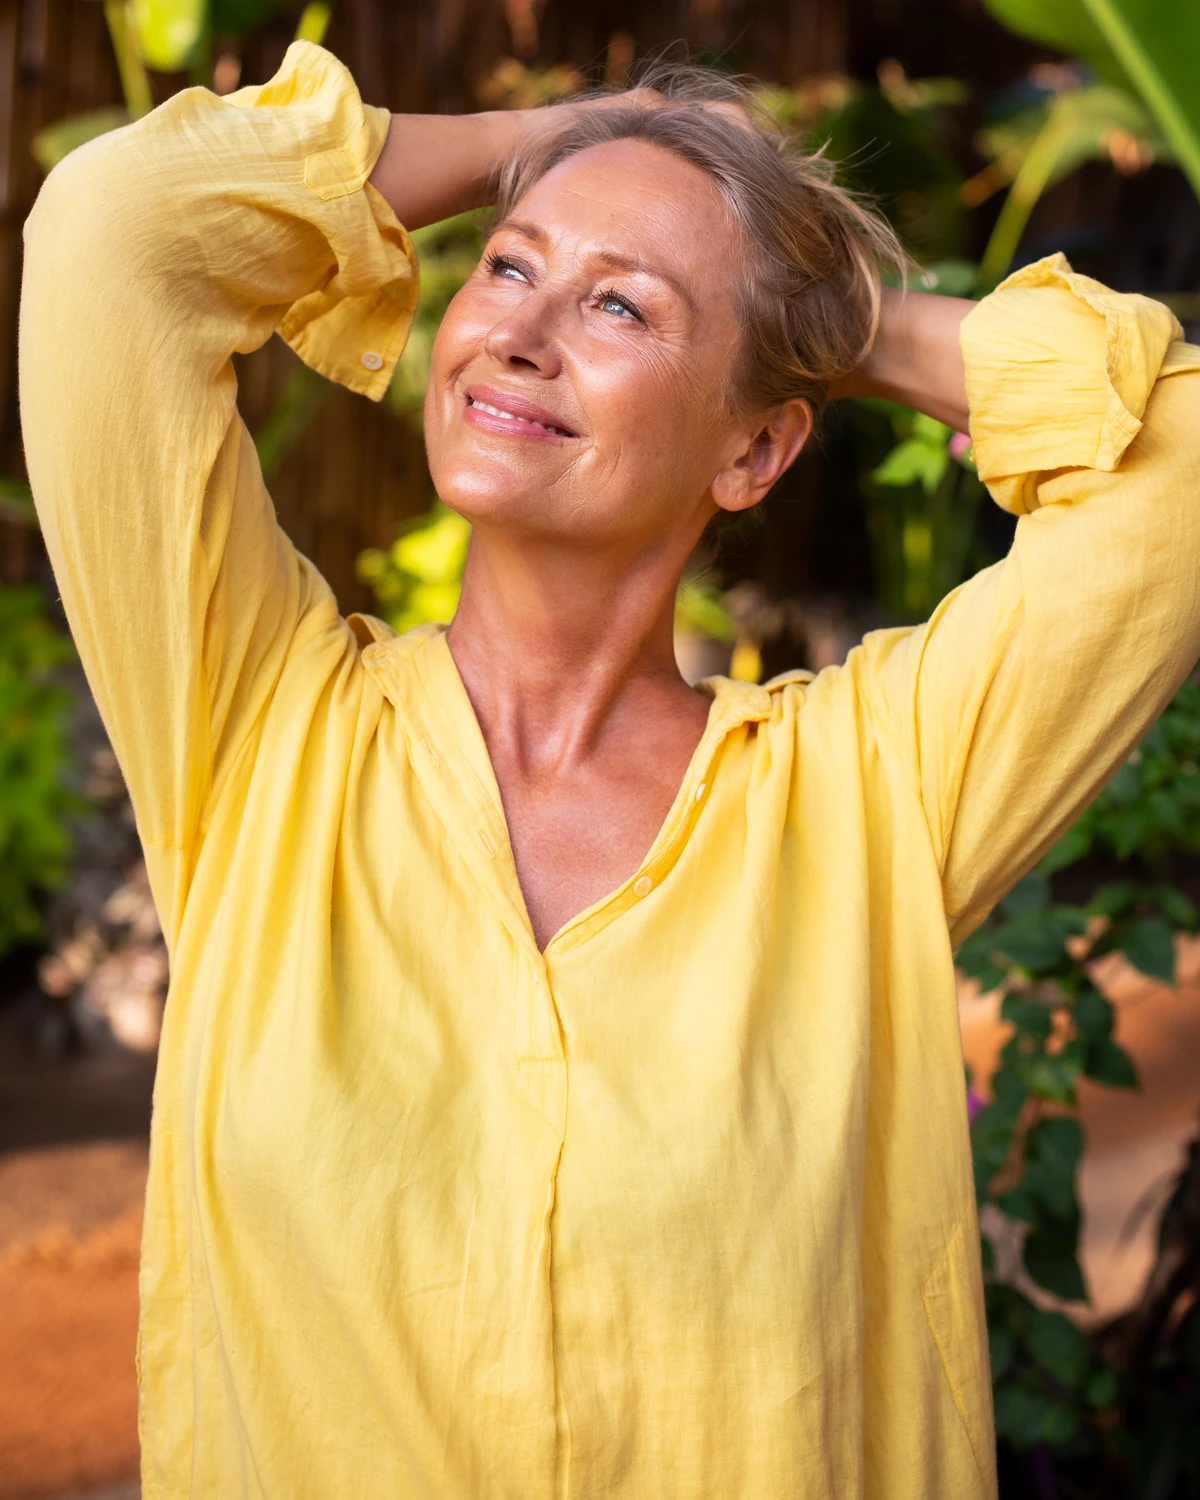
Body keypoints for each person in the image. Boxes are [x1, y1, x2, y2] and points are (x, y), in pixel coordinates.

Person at [19, 38, 1200, 1500]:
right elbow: (111, 233)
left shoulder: (869, 799)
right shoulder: (258, 729)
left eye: (623, 305)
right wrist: (564, 130)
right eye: (508, 267)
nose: (522, 331)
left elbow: (1177, 462)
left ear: (759, 449)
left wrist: (824, 318)